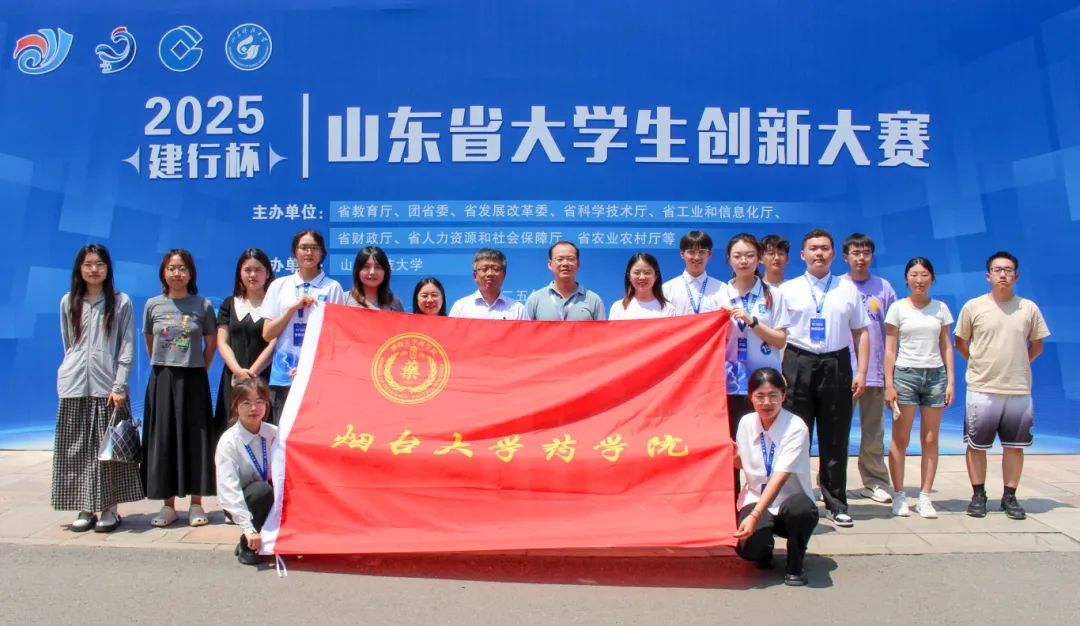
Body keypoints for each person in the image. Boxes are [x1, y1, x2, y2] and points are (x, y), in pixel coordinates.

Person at [779, 229, 870, 527]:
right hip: (798, 362)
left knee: (835, 435)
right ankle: (796, 501)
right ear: (802, 254)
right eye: (813, 248)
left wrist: (862, 371)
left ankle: (836, 502)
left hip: (836, 363)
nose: (819, 253)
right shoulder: (788, 289)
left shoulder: (847, 289)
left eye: (825, 248)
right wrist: (781, 372)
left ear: (833, 254)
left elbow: (861, 331)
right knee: (795, 436)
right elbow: (778, 335)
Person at [52, 244, 143, 533]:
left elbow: (127, 346)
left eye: (100, 264)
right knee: (76, 451)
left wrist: (120, 384)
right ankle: (84, 508)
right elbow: (69, 343)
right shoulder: (68, 301)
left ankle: (109, 509)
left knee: (109, 453)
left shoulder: (120, 302)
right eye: (88, 264)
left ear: (108, 269)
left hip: (108, 389)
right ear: (79, 269)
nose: (94, 269)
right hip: (75, 387)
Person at [955, 251, 1049, 520]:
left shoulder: (1028, 308)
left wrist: (1019, 364)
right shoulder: (973, 307)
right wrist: (979, 363)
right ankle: (978, 495)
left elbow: (1038, 345)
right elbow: (960, 342)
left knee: (1014, 446)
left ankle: (1010, 496)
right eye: (997, 270)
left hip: (1017, 389)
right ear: (988, 276)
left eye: (1008, 270)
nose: (1003, 275)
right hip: (982, 387)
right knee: (976, 446)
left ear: (1016, 276)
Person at [142, 249, 217, 528]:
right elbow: (150, 343)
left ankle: (197, 504)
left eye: (182, 268)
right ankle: (168, 506)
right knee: (165, 440)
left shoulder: (203, 305)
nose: (177, 273)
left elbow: (210, 345)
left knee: (196, 440)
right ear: (163, 273)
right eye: (171, 268)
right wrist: (167, 364)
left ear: (191, 273)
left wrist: (196, 368)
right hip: (162, 378)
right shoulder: (153, 305)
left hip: (194, 379)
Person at [733, 367, 818, 587]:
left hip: (789, 503)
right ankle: (764, 551)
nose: (767, 403)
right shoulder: (746, 423)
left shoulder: (796, 427)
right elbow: (741, 463)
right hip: (755, 498)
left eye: (773, 396)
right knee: (748, 549)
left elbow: (779, 476)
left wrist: (754, 516)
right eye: (760, 396)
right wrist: (730, 456)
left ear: (784, 396)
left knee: (802, 510)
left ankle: (796, 563)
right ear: (750, 397)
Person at [884, 257, 955, 518]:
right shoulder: (897, 308)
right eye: (914, 274)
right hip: (905, 375)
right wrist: (889, 384)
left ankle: (925, 497)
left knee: (930, 438)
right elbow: (890, 349)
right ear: (906, 279)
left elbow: (946, 345)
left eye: (924, 275)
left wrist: (950, 381)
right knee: (900, 438)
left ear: (932, 279)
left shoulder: (941, 308)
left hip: (935, 376)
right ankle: (899, 495)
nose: (919, 280)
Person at [261, 230, 346, 425]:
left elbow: (337, 337)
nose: (309, 253)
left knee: (316, 431)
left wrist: (309, 366)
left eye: (314, 248)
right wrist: (292, 309)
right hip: (284, 375)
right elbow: (267, 333)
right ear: (294, 252)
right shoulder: (279, 285)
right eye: (304, 248)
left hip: (318, 376)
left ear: (322, 253)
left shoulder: (333, 287)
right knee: (283, 432)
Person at [842, 233, 897, 505]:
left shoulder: (883, 287)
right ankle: (833, 484)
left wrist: (889, 377)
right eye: (855, 253)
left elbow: (892, 333)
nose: (860, 258)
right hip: (843, 371)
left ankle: (874, 482)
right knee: (837, 432)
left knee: (873, 432)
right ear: (845, 257)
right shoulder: (838, 286)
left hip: (874, 372)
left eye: (865, 253)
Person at [722, 234, 790, 444]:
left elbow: (780, 340)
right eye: (737, 256)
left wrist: (753, 322)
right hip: (730, 382)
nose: (743, 261)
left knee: (766, 441)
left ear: (759, 258)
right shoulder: (720, 295)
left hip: (765, 383)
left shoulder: (773, 295)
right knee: (732, 441)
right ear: (729, 259)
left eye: (750, 255)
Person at [214, 248, 276, 441]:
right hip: (233, 379)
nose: (252, 275)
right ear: (239, 273)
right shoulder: (229, 303)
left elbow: (274, 342)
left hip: (264, 378)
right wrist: (238, 372)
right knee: (230, 431)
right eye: (247, 270)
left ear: (267, 273)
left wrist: (252, 374)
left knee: (265, 432)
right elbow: (222, 342)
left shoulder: (275, 304)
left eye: (258, 270)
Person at [215, 377, 276, 566]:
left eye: (259, 402)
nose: (254, 408)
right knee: (261, 491)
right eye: (246, 403)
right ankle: (247, 543)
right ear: (235, 406)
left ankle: (272, 539)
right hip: (242, 499)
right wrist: (248, 528)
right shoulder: (229, 441)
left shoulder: (273, 433)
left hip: (269, 494)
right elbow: (228, 488)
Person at [525, 241, 605, 320]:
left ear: (578, 264)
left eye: (571, 259)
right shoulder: (535, 299)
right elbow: (524, 328)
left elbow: (602, 328)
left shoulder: (594, 300)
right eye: (560, 259)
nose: (565, 263)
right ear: (550, 264)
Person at [449, 248, 528, 319]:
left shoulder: (518, 309)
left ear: (504, 275)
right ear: (475, 275)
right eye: (484, 269)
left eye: (495, 269)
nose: (490, 273)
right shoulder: (460, 307)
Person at [662, 230, 727, 316]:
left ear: (709, 254)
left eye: (702, 252)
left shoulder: (721, 288)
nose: (696, 257)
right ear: (682, 254)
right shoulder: (667, 289)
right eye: (691, 252)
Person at [608, 252, 677, 320]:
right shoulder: (618, 307)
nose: (642, 277)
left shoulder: (668, 309)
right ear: (629, 276)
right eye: (637, 273)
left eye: (647, 273)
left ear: (656, 276)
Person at [345, 246, 405, 311]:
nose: (372, 272)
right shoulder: (344, 300)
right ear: (357, 270)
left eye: (378, 267)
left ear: (385, 271)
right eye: (366, 267)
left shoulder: (395, 303)